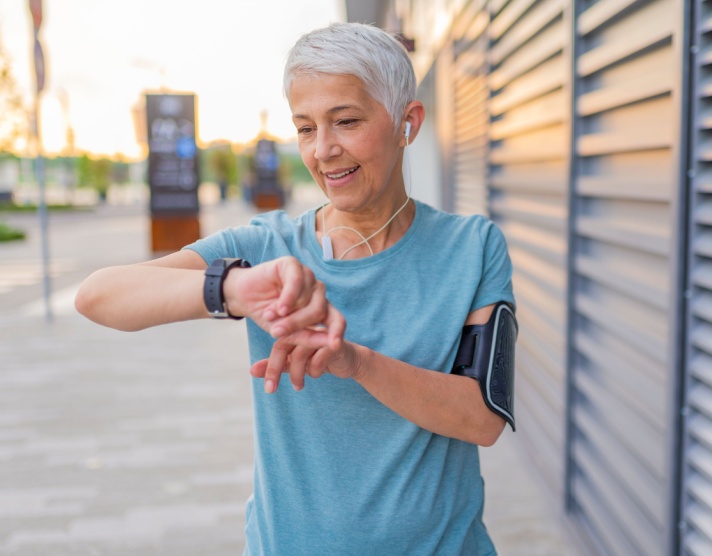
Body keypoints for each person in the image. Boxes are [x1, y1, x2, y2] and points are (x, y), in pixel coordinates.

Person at [76, 22, 516, 555]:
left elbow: (482, 418)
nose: (324, 150)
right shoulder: (264, 246)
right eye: (305, 128)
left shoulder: (472, 248)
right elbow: (97, 296)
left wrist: (352, 360)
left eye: (346, 121)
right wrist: (235, 289)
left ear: (408, 121)